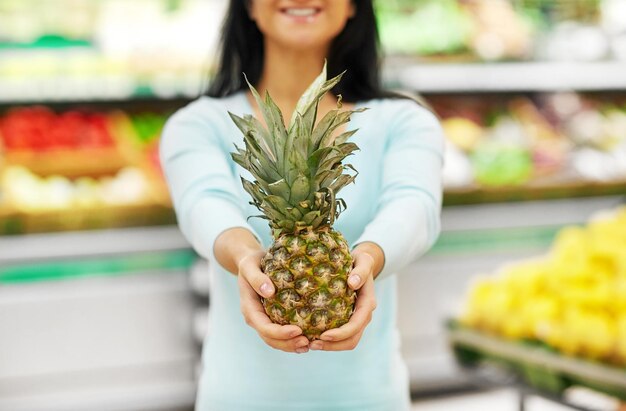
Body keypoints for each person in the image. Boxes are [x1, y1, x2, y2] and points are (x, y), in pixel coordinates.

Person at [160, 1, 444, 410]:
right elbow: (204, 204)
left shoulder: (405, 120)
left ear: (353, 7)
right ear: (249, 8)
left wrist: (369, 258)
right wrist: (244, 258)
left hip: (368, 400)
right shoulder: (197, 124)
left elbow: (414, 205)